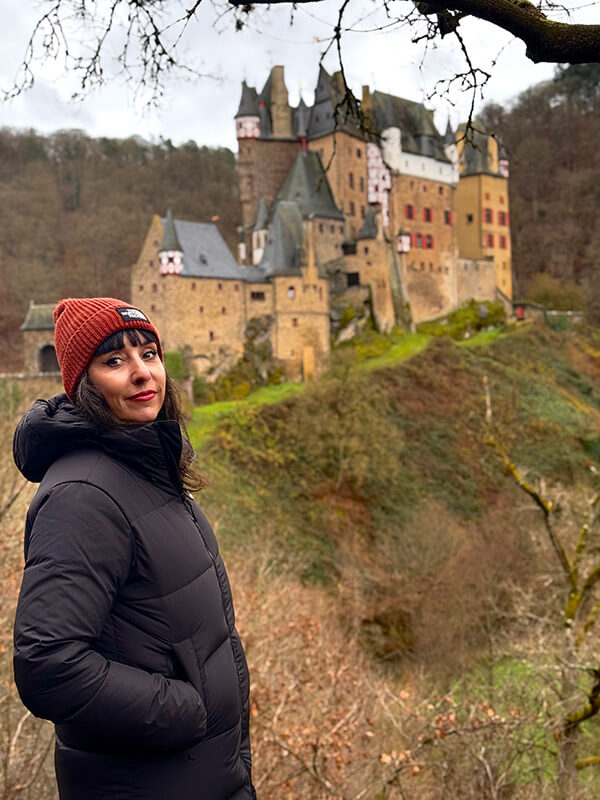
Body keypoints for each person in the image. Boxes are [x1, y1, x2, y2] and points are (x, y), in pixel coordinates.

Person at [12, 297, 255, 800]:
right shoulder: (84, 496)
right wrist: (187, 711)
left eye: (149, 353)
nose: (143, 373)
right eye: (115, 361)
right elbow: (46, 665)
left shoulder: (148, 467)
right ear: (85, 384)